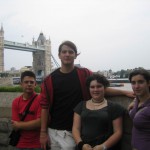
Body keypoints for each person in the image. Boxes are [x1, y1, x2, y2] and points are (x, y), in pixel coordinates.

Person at [40, 40, 134, 150]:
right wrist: (43, 132)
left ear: (75, 55)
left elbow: (99, 88)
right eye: (64, 52)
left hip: (73, 131)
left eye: (71, 52)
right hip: (53, 131)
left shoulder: (84, 74)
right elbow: (44, 107)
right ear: (59, 55)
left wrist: (124, 92)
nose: (67, 54)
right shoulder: (49, 80)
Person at [72, 74, 125, 150]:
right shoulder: (80, 106)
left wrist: (103, 146)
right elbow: (75, 128)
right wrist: (81, 145)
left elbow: (118, 132)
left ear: (105, 88)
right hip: (84, 146)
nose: (95, 90)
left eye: (99, 86)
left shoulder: (114, 107)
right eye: (92, 87)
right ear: (89, 88)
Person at [11, 71, 42, 150]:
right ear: (21, 84)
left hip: (38, 144)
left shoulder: (40, 99)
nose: (29, 84)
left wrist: (19, 125)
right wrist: (33, 124)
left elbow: (40, 123)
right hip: (21, 143)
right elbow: (15, 126)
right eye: (26, 82)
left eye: (31, 82)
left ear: (35, 84)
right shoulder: (16, 102)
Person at [129, 69, 150, 150]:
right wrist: (135, 101)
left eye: (140, 82)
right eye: (133, 83)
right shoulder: (137, 101)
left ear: (148, 83)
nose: (136, 86)